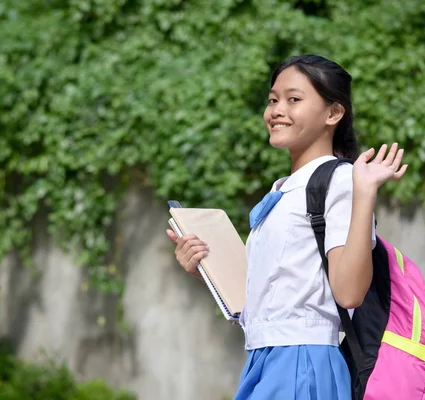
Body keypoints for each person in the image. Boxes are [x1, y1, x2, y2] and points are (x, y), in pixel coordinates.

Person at [166, 54, 408, 399]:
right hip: (265, 357)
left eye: (293, 99)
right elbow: (275, 296)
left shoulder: (340, 181)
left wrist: (364, 191)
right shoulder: (283, 190)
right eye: (273, 100)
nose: (276, 110)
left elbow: (350, 292)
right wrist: (203, 269)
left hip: (302, 361)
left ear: (333, 113)